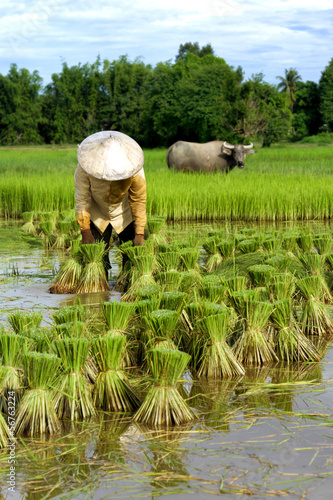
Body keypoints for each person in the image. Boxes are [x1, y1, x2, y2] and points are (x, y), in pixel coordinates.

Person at [74, 131, 146, 276]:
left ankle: (126, 284)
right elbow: (82, 199)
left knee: (131, 259)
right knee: (98, 260)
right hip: (97, 213)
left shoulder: (135, 170)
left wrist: (139, 232)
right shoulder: (85, 167)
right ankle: (101, 289)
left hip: (124, 212)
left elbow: (138, 201)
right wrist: (85, 230)